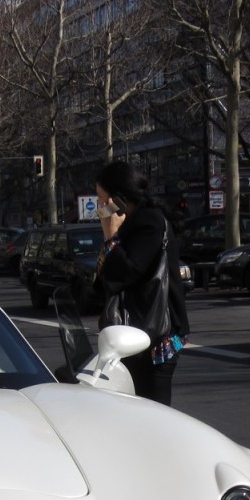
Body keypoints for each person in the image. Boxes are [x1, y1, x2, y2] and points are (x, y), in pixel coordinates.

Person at [94, 160, 190, 405]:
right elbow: (103, 281)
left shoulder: (149, 222)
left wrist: (110, 237)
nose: (99, 207)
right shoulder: (130, 224)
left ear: (120, 199)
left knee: (155, 413)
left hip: (158, 339)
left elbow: (127, 273)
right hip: (135, 335)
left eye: (103, 200)